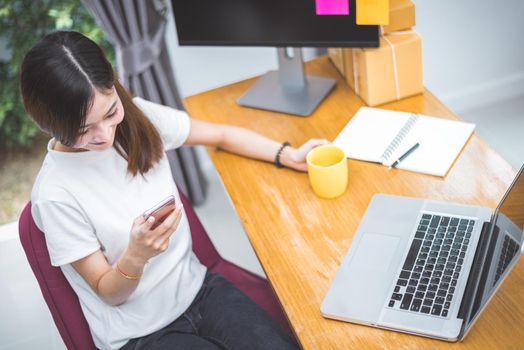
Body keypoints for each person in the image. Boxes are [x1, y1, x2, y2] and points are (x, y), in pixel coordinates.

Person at [20, 31, 327, 350]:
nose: (106, 135)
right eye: (83, 130)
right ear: (48, 123)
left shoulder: (138, 120)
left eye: (110, 112)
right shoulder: (55, 194)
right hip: (141, 333)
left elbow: (220, 135)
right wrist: (136, 256)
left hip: (199, 289)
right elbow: (108, 292)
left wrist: (286, 154)